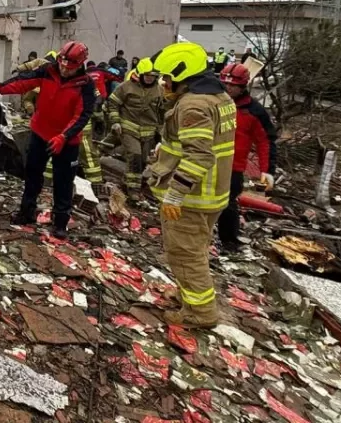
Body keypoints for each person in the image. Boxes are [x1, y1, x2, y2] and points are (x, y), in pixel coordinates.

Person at [146, 42, 236, 327]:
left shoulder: (193, 105)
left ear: (182, 75)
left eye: (167, 77)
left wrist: (174, 195)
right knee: (195, 250)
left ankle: (199, 313)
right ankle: (189, 295)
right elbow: (200, 142)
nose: (163, 83)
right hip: (214, 193)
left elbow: (199, 154)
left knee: (185, 253)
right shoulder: (219, 97)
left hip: (192, 197)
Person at [0, 41, 95, 238]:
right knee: (32, 175)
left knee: (63, 182)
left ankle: (60, 223)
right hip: (40, 133)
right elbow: (24, 81)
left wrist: (64, 136)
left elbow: (81, 116)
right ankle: (26, 213)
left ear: (80, 65)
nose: (63, 69)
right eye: (62, 64)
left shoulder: (86, 86)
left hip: (66, 141)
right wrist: (0, 88)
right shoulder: (48, 71)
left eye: (68, 67)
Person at [217, 64, 277, 253]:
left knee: (228, 205)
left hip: (234, 167)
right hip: (208, 161)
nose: (229, 89)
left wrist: (267, 170)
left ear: (243, 86)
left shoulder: (254, 111)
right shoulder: (212, 101)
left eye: (233, 86)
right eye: (226, 84)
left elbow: (265, 141)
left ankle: (228, 241)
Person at [106, 57, 164, 191]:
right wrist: (115, 122)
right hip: (128, 128)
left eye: (153, 76)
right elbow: (113, 103)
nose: (150, 78)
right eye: (147, 75)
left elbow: (162, 112)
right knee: (134, 154)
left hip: (149, 133)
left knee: (144, 160)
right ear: (140, 74)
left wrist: (161, 132)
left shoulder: (160, 91)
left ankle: (129, 181)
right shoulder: (126, 87)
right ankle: (132, 189)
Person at [14, 50, 55, 116]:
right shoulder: (55, 67)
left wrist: (17, 69)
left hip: (34, 86)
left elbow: (28, 65)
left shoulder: (40, 61)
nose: (31, 58)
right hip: (44, 89)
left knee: (27, 100)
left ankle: (31, 114)